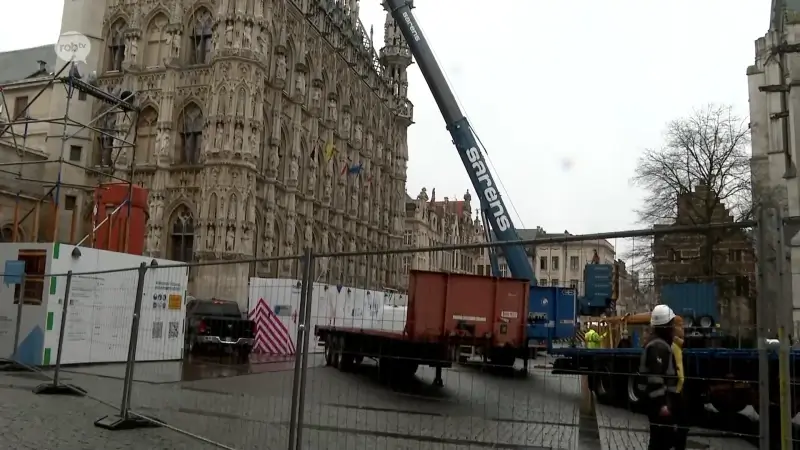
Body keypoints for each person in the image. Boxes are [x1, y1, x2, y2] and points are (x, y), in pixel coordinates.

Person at [639, 304, 681, 450]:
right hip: (658, 405)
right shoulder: (658, 346)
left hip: (659, 403)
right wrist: (662, 405)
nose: (674, 328)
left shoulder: (660, 344)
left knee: (662, 440)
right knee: (660, 442)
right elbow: (655, 378)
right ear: (665, 326)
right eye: (671, 325)